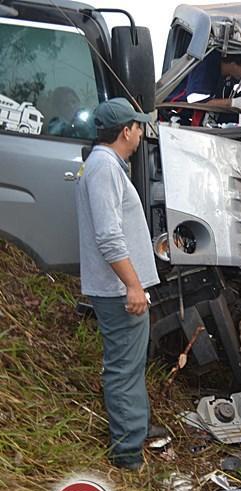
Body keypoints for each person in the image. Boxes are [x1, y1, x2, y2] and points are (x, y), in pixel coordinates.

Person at [75, 98, 159, 470]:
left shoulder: (104, 166)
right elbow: (109, 236)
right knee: (124, 370)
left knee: (127, 366)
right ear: (126, 131)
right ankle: (127, 456)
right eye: (138, 126)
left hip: (116, 288)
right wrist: (133, 285)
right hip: (117, 291)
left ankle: (133, 434)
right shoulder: (104, 168)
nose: (141, 132)